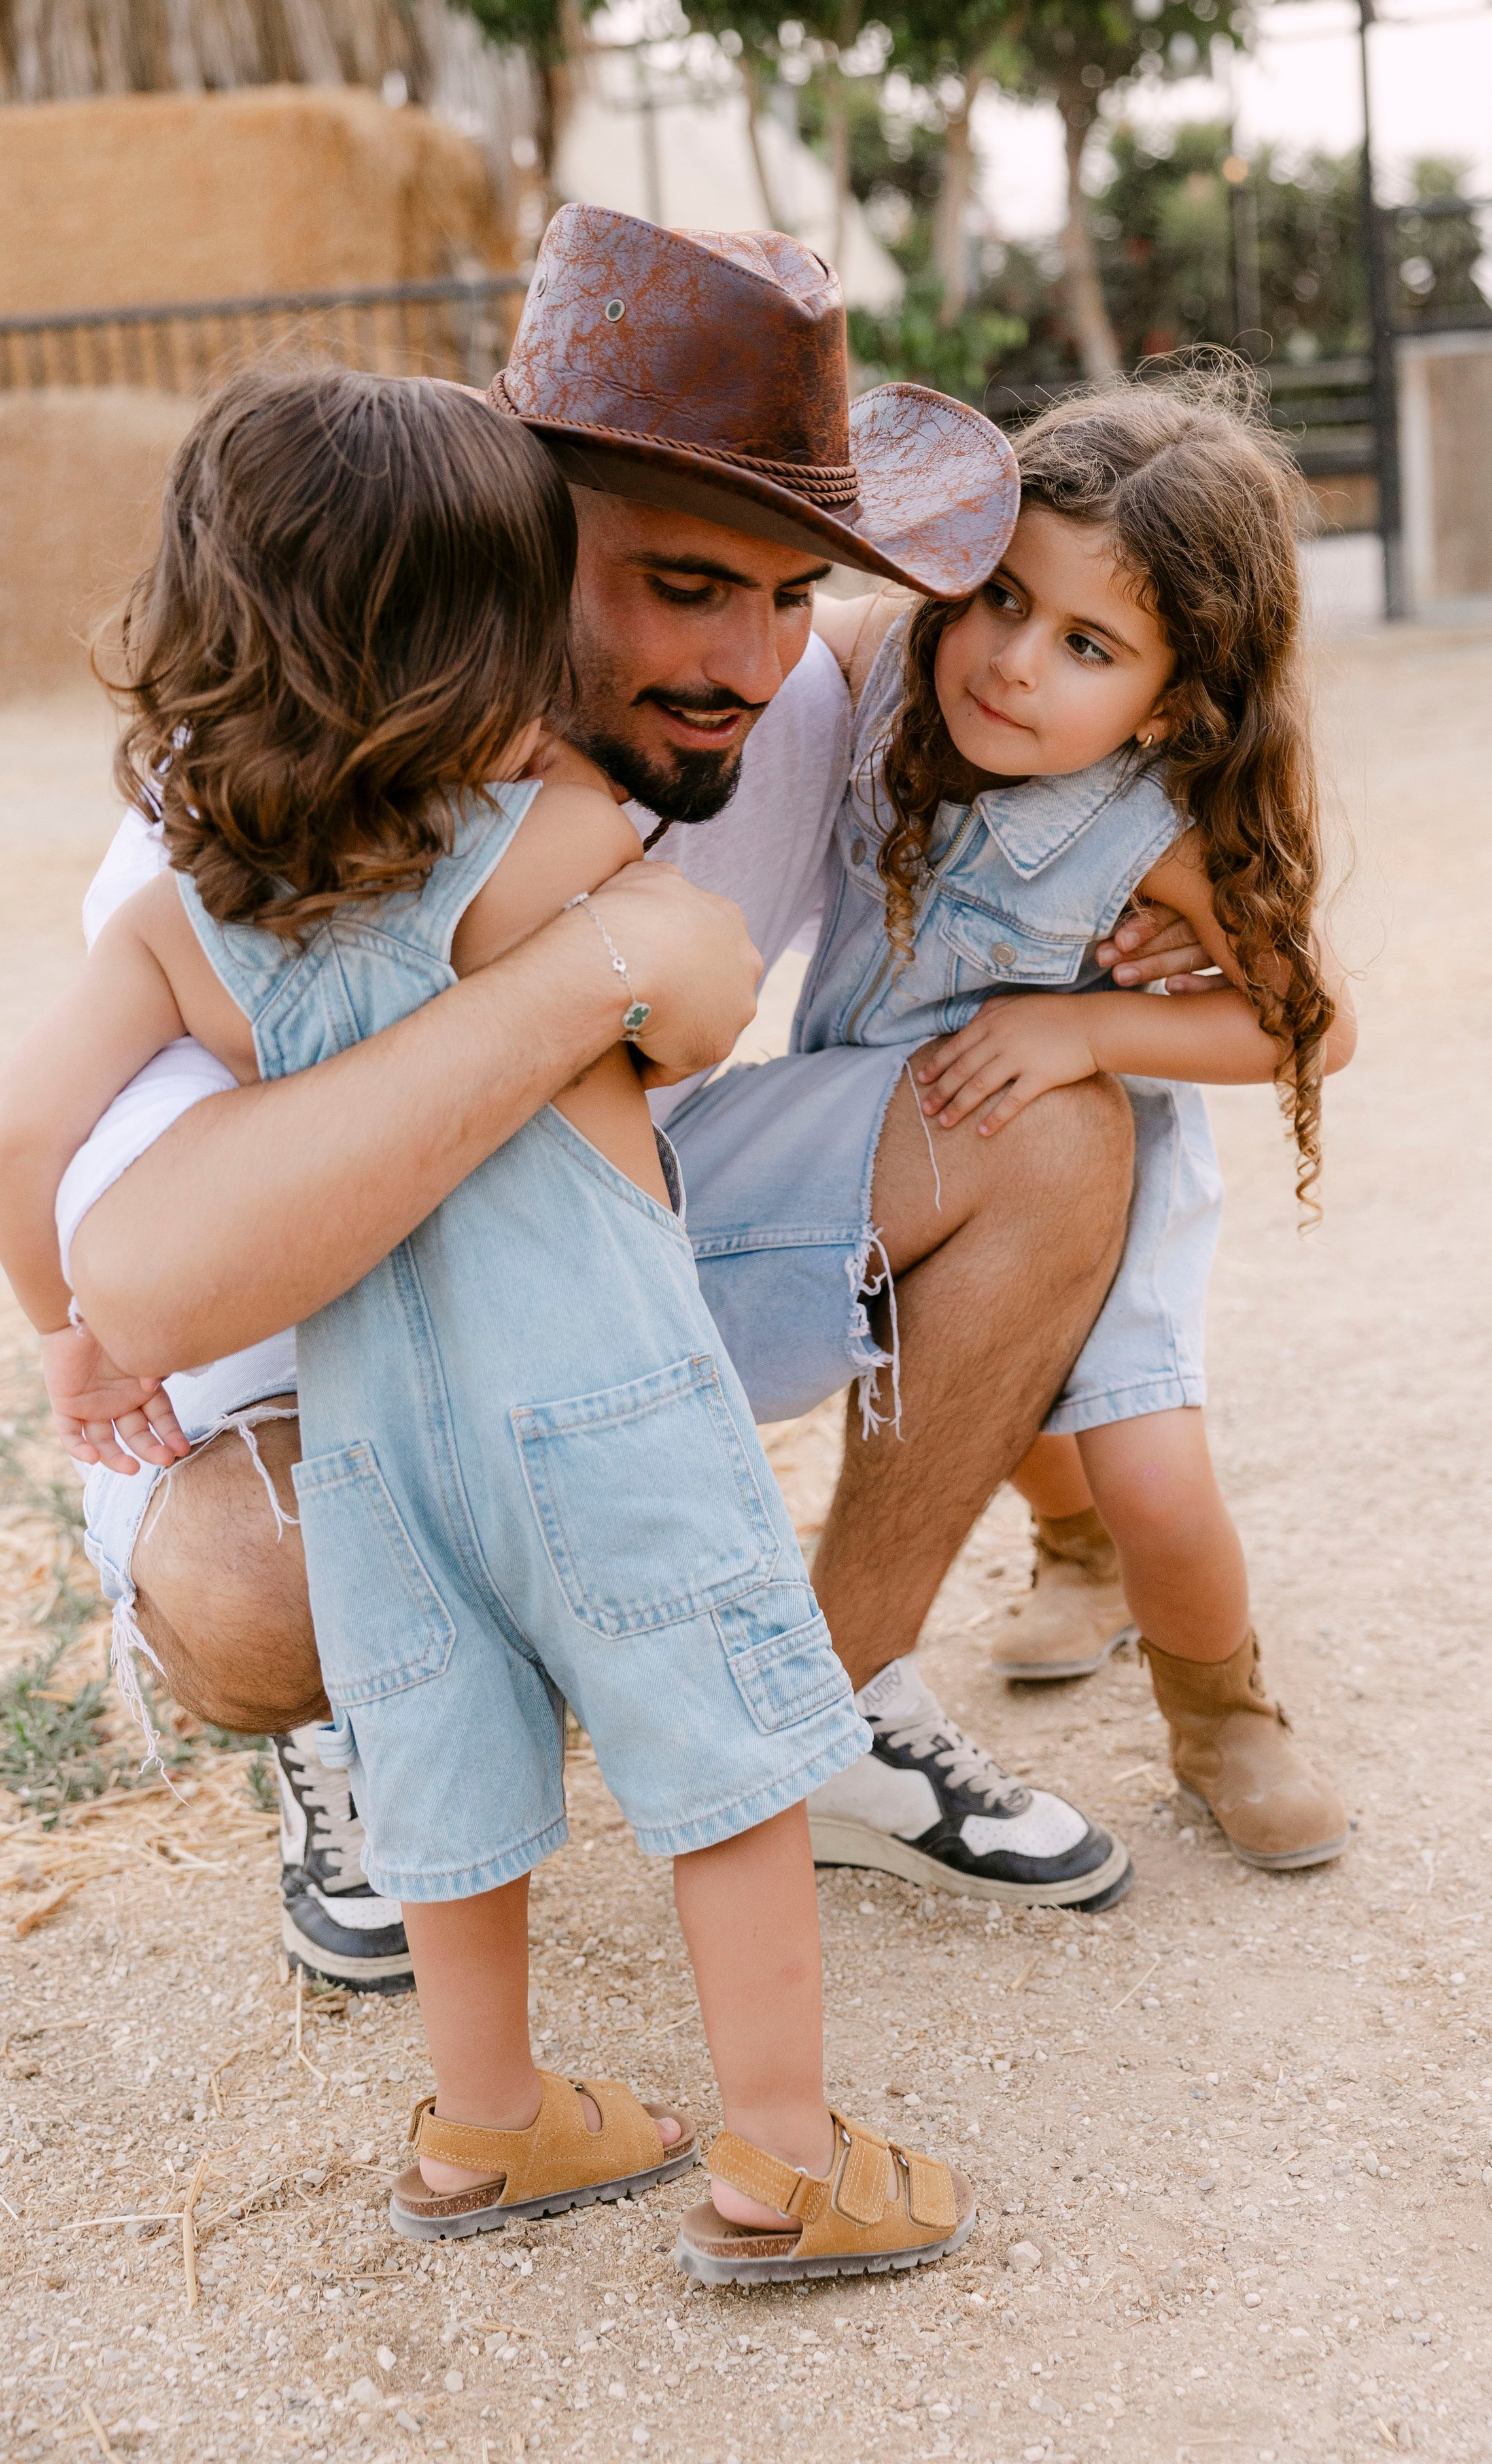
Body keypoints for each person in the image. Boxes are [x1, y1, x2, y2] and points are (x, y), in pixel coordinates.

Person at [44, 207, 1179, 2000]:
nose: (752, 665)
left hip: (591, 1269)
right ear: (512, 540)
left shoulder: (785, 696)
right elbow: (150, 1285)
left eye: (789, 593)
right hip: (289, 1366)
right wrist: (588, 971)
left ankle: (823, 1708)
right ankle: (353, 1746)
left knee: (1043, 1124)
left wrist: (1192, 918)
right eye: (686, 585)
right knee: (270, 1596)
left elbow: (1099, 664)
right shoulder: (279, 775)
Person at [0, 362, 977, 2280]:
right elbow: (695, 1015)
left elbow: (24, 1132)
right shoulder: (561, 837)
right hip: (606, 1399)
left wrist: (70, 1334)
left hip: (376, 1430)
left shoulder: (187, 917)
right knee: (724, 1762)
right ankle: (785, 2161)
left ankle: (488, 2121)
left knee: (442, 1760)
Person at [790, 371, 1357, 1871]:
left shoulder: (1152, 832)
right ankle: (1075, 1554)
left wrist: (1088, 1027)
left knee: (1147, 1463)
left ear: (1167, 703)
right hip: (900, 1147)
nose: (1012, 661)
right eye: (998, 597)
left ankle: (1220, 1712)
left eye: (1085, 645)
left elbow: (1311, 1024)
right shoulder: (887, 680)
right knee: (992, 1403)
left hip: (1098, 1179)